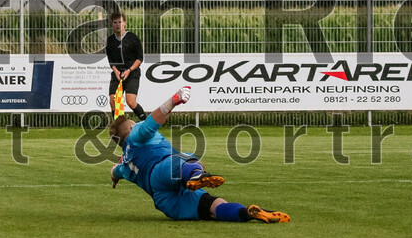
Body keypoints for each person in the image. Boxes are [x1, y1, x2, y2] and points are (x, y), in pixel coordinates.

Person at [109, 86, 290, 223]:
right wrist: (173, 101)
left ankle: (246, 213)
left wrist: (114, 176)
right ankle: (197, 175)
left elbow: (115, 172)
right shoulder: (136, 132)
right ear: (132, 128)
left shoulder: (125, 163)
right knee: (186, 158)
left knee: (212, 208)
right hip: (162, 170)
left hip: (163, 199)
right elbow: (151, 122)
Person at [106, 12, 147, 120]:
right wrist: (116, 71)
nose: (117, 25)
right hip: (117, 73)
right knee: (113, 100)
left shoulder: (132, 38)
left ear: (124, 23)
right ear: (112, 24)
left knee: (130, 101)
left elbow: (139, 58)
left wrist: (129, 70)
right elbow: (110, 60)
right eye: (115, 23)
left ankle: (146, 124)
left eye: (120, 22)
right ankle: (118, 130)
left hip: (132, 73)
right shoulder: (110, 40)